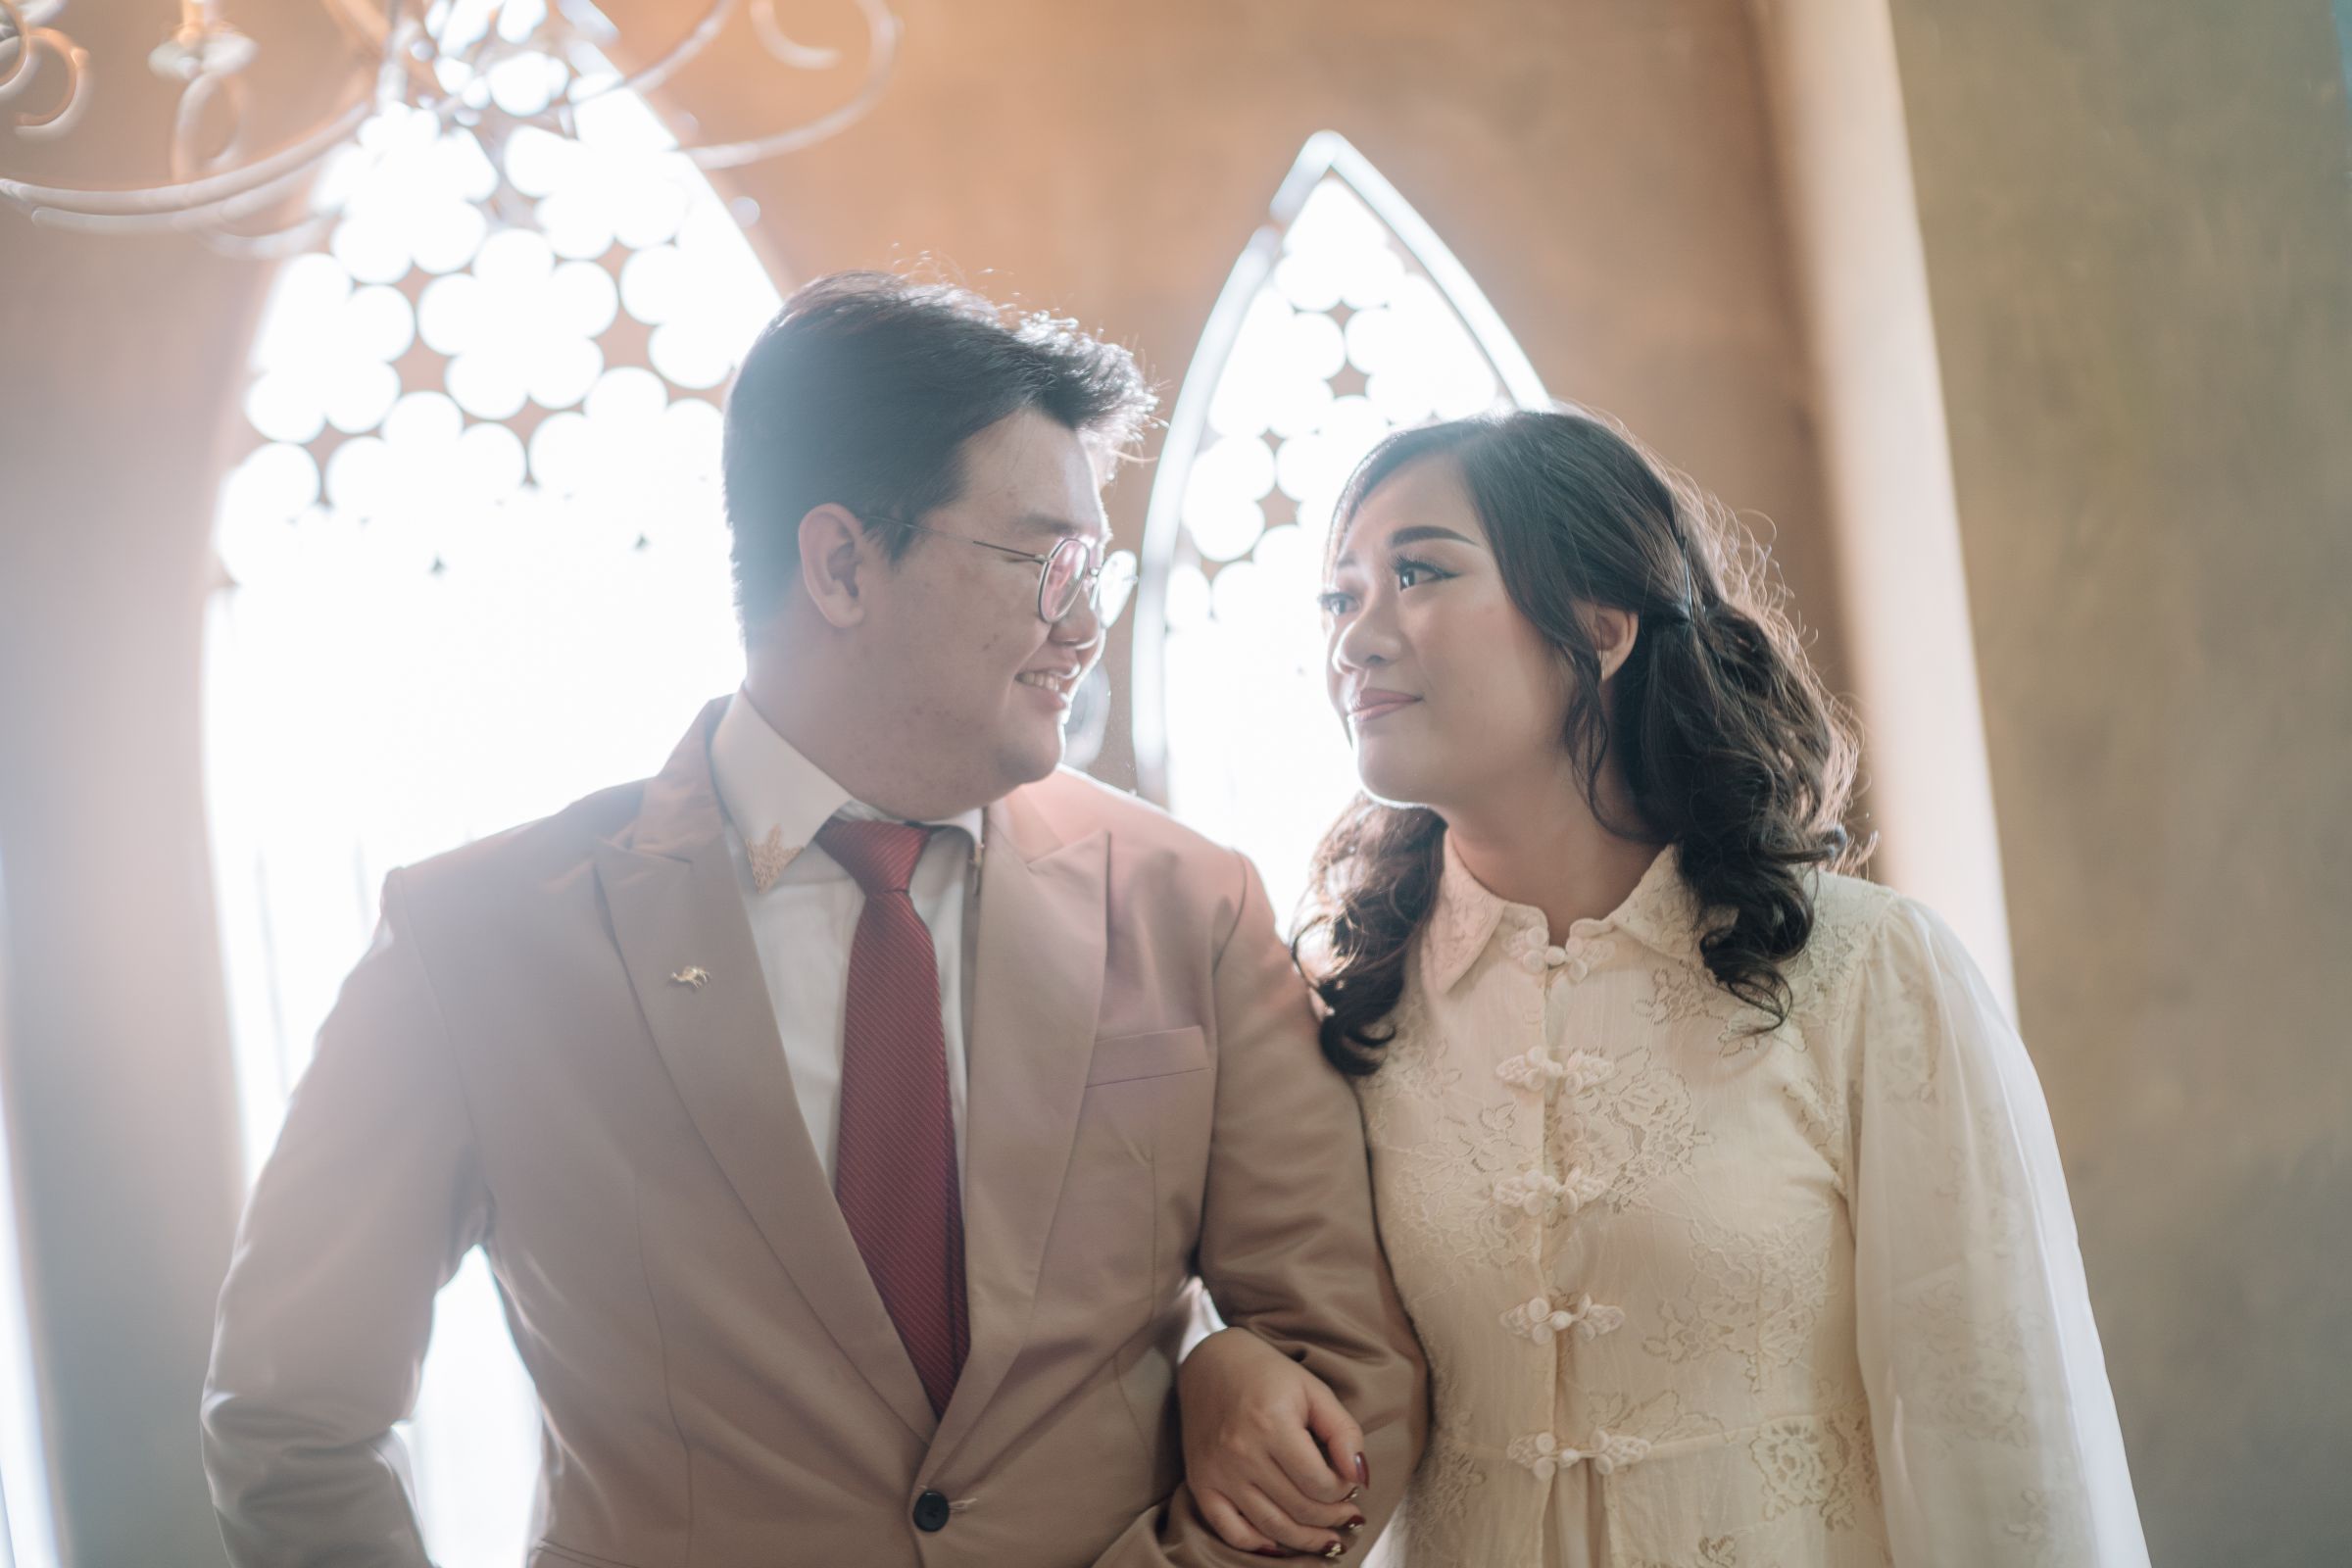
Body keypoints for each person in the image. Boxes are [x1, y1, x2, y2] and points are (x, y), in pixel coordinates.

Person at [201, 272, 1424, 1568]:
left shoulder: (1190, 900)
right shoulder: (472, 942)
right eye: (1047, 563)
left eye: (1097, 571)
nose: (1081, 627)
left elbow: (1342, 1360)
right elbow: (292, 1424)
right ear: (842, 564)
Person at [1208, 409, 2148, 1565]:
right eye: (1338, 595)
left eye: (1417, 573)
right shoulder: (1342, 1016)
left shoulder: (1870, 974)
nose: (1353, 637)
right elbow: (1275, 1339)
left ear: (1601, 624)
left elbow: (2007, 1453)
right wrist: (1218, 1366)